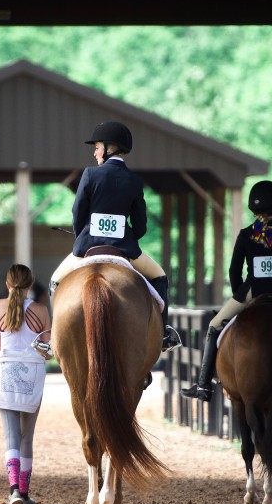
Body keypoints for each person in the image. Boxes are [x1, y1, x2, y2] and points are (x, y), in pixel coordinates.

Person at [180, 181, 272, 413]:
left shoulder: (247, 235)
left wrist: (241, 297)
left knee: (214, 326)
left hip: (251, 291)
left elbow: (234, 271)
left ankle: (204, 385)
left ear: (253, 209)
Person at [49, 121, 181, 352]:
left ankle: (54, 337)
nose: (95, 152)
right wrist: (127, 237)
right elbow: (140, 224)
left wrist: (83, 237)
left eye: (98, 147)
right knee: (160, 277)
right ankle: (164, 335)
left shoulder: (90, 175)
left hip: (87, 248)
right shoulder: (134, 180)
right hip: (124, 249)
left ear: (110, 148)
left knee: (55, 281)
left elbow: (77, 213)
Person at [0, 264, 52, 504]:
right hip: (32, 375)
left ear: (7, 284)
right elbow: (47, 352)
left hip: (5, 373)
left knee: (10, 436)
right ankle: (24, 494)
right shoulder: (42, 310)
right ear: (30, 284)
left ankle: (13, 490)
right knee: (27, 437)